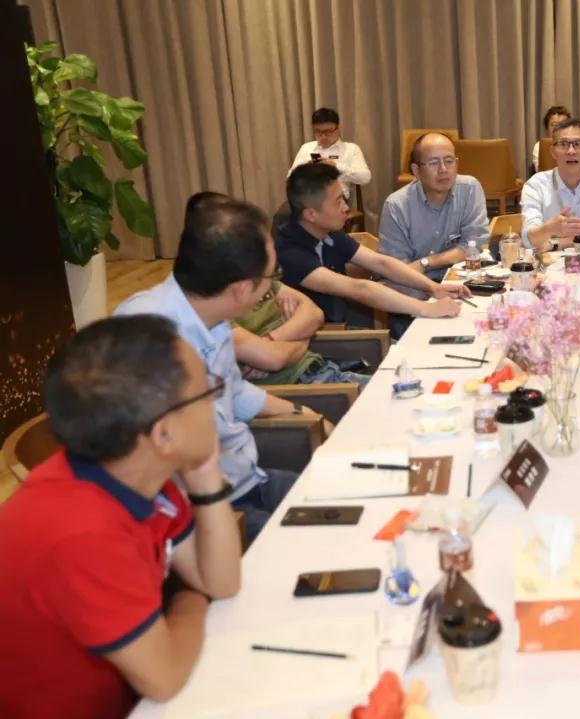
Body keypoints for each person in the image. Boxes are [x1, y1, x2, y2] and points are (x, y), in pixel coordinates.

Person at [0, 315, 241, 717]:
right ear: (163, 434)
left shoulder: (131, 470)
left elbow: (222, 581)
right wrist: (190, 599)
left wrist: (205, 475)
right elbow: (165, 676)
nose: (214, 405)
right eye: (207, 392)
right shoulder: (81, 532)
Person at [116, 197, 317, 541]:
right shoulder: (145, 331)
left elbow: (234, 393)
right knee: (317, 543)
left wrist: (304, 414)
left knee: (346, 504)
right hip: (201, 512)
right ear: (241, 289)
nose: (273, 285)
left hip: (248, 478)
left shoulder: (213, 316)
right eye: (272, 275)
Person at [184, 192, 371, 389]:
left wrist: (272, 339)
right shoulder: (206, 305)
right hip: (304, 390)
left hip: (323, 370)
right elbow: (274, 359)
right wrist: (301, 336)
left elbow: (315, 314)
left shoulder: (251, 271)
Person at [277, 162, 470, 340]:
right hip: (318, 341)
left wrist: (434, 288)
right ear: (311, 214)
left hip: (340, 329)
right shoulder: (290, 253)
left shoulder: (329, 233)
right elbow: (359, 289)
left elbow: (381, 263)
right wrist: (427, 309)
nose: (346, 208)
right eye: (338, 202)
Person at [377, 132, 485, 336]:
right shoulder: (397, 206)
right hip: (413, 289)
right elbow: (399, 270)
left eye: (449, 161)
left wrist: (427, 262)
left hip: (456, 279)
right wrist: (432, 289)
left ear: (457, 163)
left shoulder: (470, 189)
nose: (443, 169)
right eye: (434, 163)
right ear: (416, 170)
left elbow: (473, 245)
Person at [521, 118, 580, 252]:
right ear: (553, 152)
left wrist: (552, 243)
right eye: (563, 144)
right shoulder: (535, 185)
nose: (571, 151)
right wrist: (549, 228)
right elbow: (528, 239)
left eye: (578, 144)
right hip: (547, 262)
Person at [288, 107, 371, 201]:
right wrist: (306, 169)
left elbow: (365, 178)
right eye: (318, 132)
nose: (323, 137)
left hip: (336, 198)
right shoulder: (306, 148)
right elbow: (290, 177)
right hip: (308, 195)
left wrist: (335, 167)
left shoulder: (351, 149)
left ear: (338, 129)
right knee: (286, 209)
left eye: (328, 132)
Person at [531, 104, 570, 174]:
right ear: (547, 129)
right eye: (554, 125)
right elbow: (542, 173)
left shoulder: (576, 145)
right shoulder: (540, 147)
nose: (558, 128)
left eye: (563, 124)